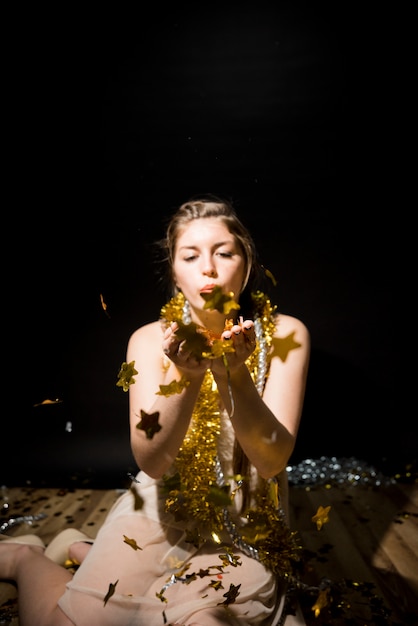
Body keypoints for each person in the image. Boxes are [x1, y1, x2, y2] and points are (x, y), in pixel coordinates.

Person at [0, 195, 310, 625]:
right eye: (191, 255)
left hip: (246, 520)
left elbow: (272, 460)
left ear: (247, 262)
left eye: (224, 252)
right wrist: (187, 377)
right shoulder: (146, 341)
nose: (209, 268)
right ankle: (22, 559)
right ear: (175, 271)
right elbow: (153, 462)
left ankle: (80, 549)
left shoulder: (286, 334)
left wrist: (233, 375)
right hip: (162, 509)